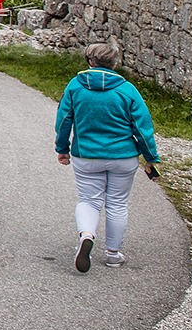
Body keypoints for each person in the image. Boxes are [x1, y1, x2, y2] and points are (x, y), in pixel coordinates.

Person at [55, 45, 160, 271]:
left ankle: (87, 235)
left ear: (89, 62)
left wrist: (62, 148)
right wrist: (151, 158)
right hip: (123, 157)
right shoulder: (127, 90)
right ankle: (113, 254)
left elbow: (64, 120)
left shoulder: (75, 87)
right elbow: (142, 128)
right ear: (114, 63)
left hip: (86, 155)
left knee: (88, 200)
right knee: (117, 204)